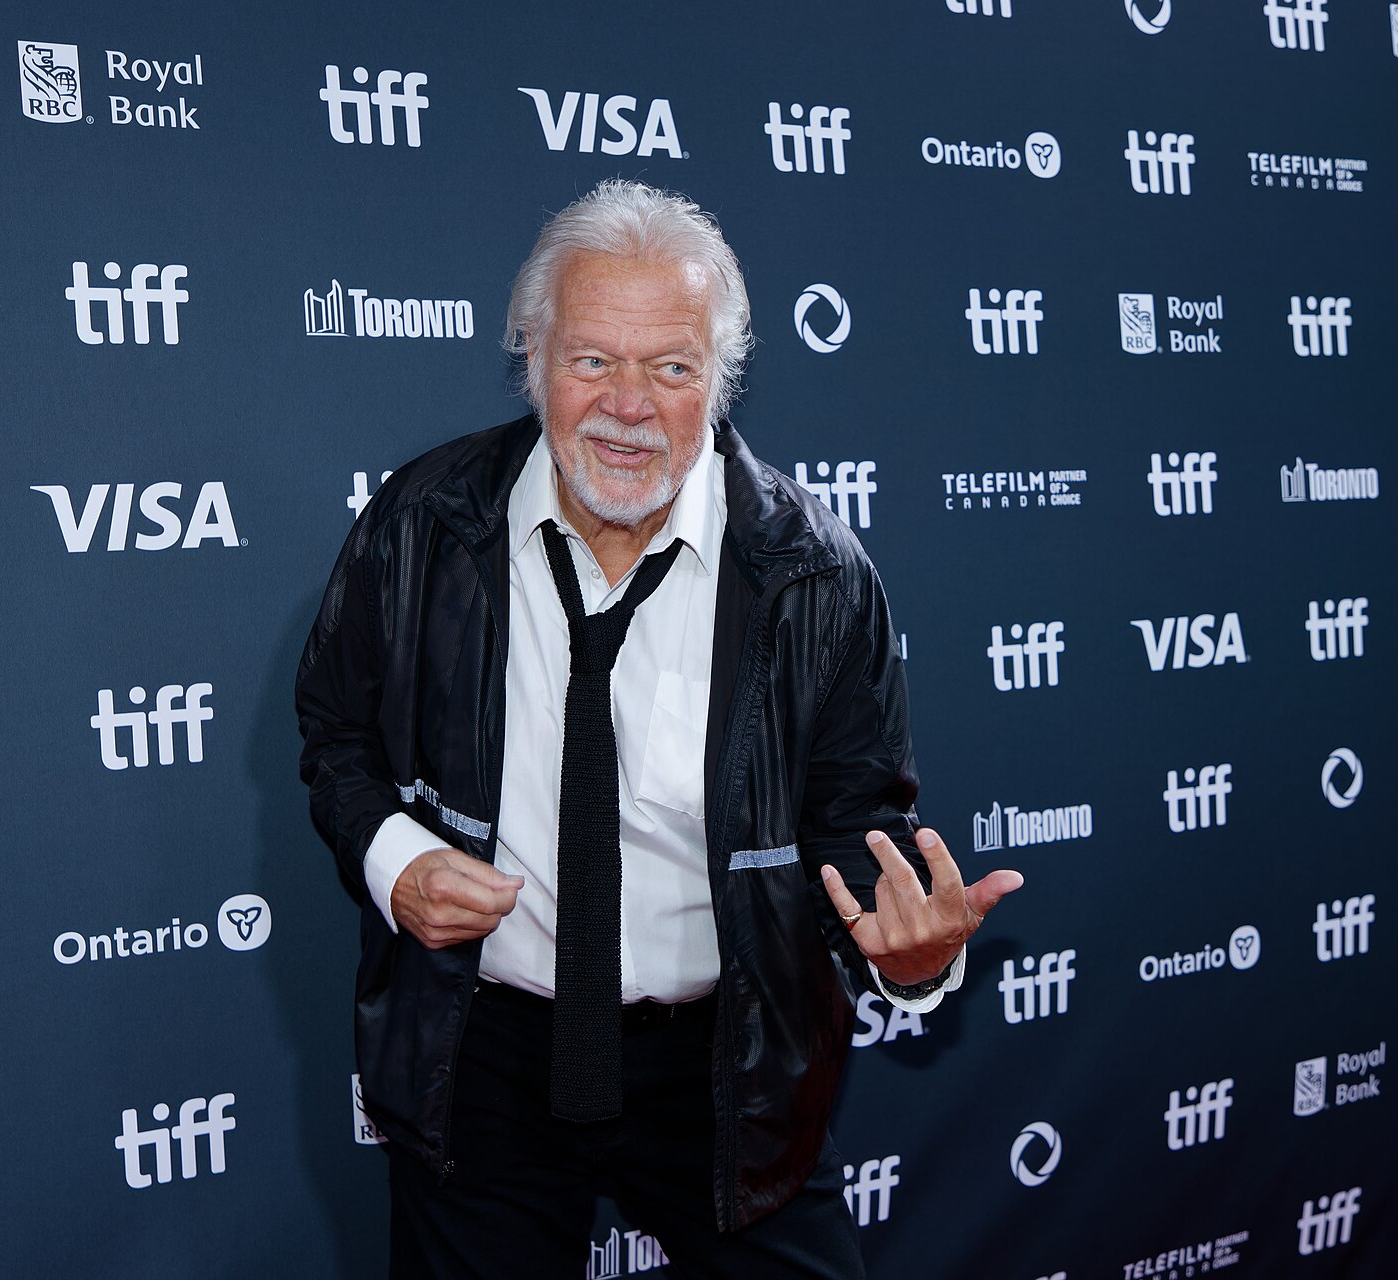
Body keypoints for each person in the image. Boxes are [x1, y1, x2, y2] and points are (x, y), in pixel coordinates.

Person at [295, 179, 1022, 1278]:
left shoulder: (815, 575)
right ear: (533, 358)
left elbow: (854, 832)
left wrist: (910, 960)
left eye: (672, 368)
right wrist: (395, 859)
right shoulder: (422, 522)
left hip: (729, 1066)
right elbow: (335, 732)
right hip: (479, 1050)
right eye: (592, 360)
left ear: (719, 380)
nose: (627, 405)